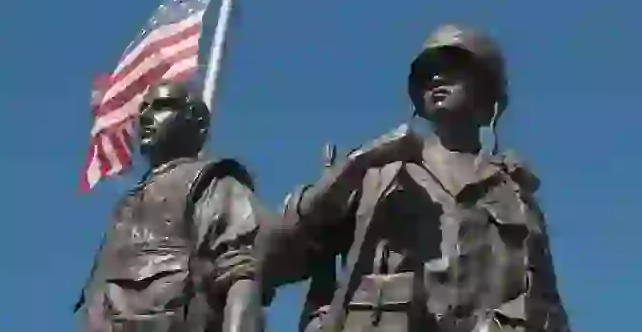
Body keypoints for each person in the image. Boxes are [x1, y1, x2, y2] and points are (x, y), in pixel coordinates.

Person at [261, 24, 571, 332]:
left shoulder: (514, 195)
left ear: (487, 92)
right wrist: (348, 172)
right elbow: (270, 256)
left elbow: (547, 307)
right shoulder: (379, 171)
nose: (437, 78)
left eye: (454, 69)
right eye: (428, 73)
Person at [75, 79, 265, 332]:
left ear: (197, 122)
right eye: (142, 111)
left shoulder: (214, 182)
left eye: (162, 106)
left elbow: (241, 275)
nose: (145, 118)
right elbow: (97, 298)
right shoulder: (124, 209)